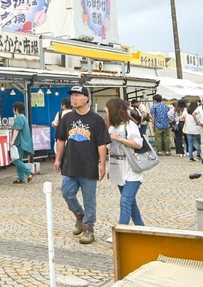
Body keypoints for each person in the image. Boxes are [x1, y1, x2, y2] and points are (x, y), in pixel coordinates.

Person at [54, 85, 110, 245]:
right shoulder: (67, 118)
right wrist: (58, 159)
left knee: (89, 199)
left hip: (89, 165)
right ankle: (79, 215)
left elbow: (101, 143)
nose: (73, 98)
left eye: (77, 95)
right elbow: (60, 140)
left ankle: (88, 227)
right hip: (70, 164)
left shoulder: (96, 120)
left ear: (86, 98)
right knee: (67, 193)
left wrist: (102, 163)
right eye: (72, 96)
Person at [106, 98, 146, 238]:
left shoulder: (129, 125)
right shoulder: (111, 127)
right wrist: (110, 169)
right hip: (118, 169)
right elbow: (111, 151)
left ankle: (120, 234)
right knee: (131, 202)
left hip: (132, 170)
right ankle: (142, 229)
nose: (106, 112)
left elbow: (138, 144)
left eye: (107, 109)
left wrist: (120, 138)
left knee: (125, 201)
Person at [10, 102, 35, 184]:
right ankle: (21, 178)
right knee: (19, 159)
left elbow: (17, 130)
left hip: (20, 142)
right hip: (24, 142)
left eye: (14, 109)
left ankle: (29, 172)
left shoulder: (18, 118)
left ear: (16, 110)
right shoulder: (23, 117)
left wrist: (12, 140)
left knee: (15, 159)